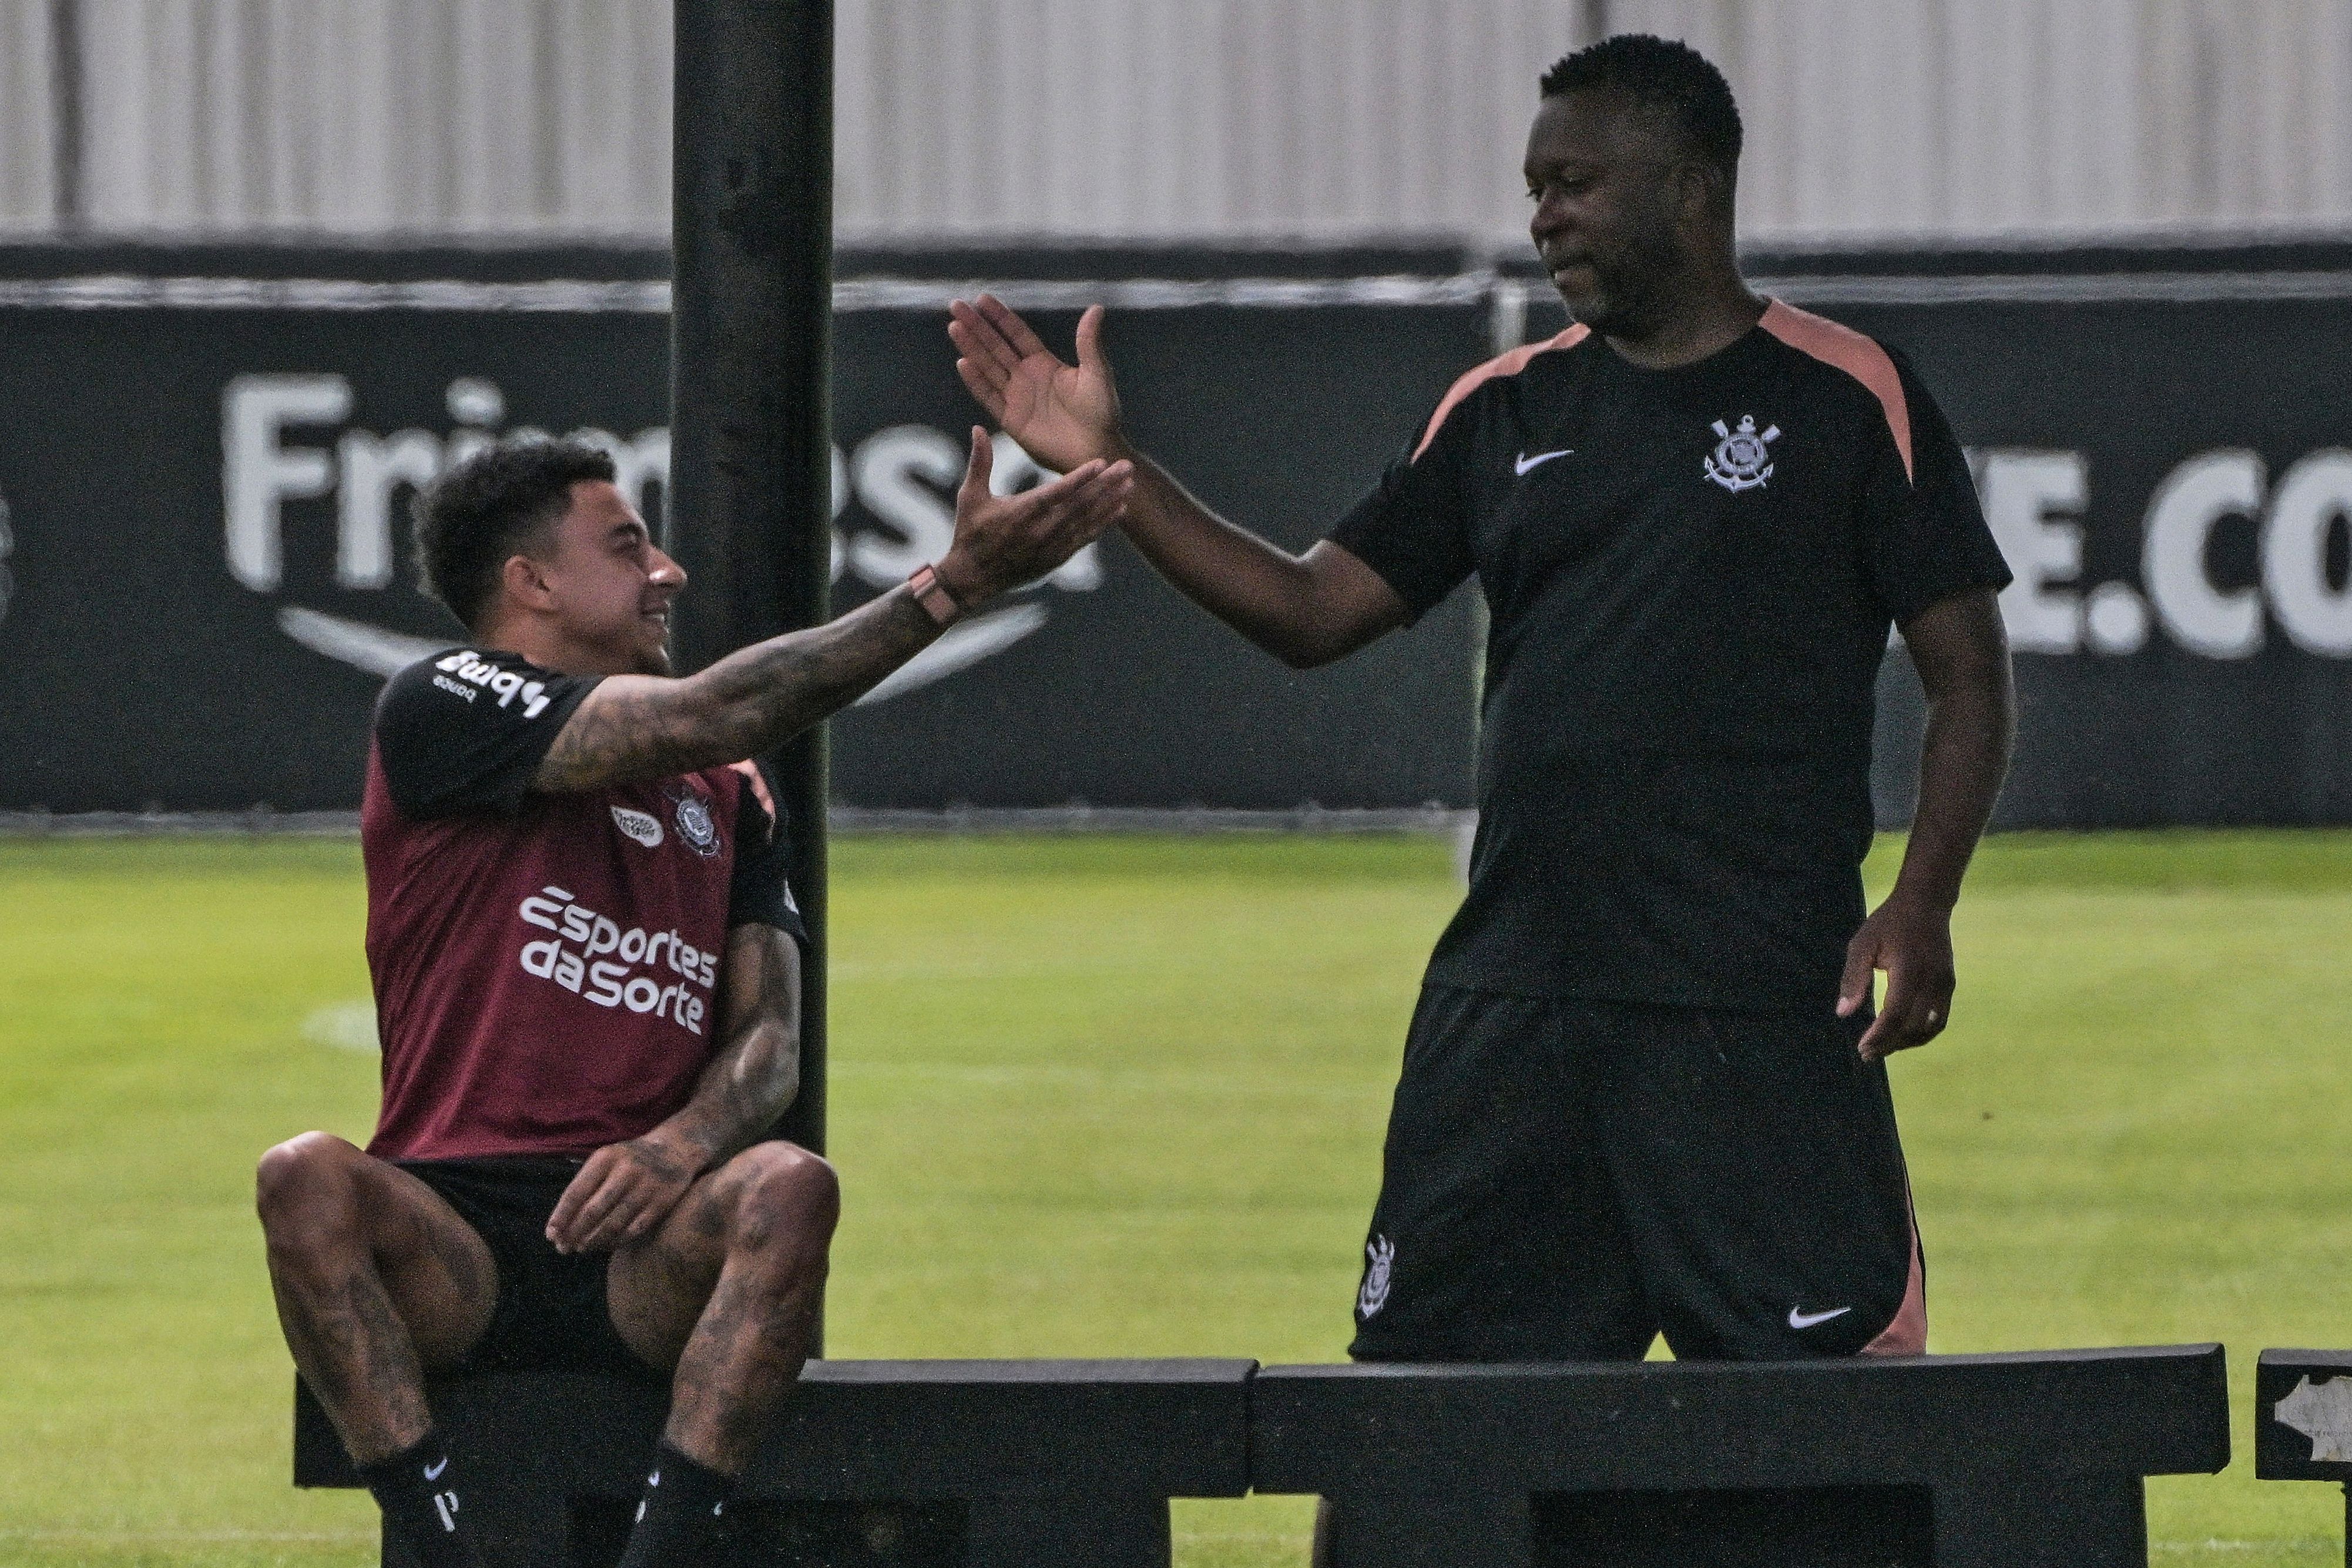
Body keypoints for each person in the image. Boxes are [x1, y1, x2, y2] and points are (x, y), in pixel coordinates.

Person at [951, 35, 2014, 1381]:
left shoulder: (1848, 395)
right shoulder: (1505, 406)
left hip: (1754, 1002)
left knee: (1831, 1428)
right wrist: (1115, 472)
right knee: (1421, 1427)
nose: (1543, 217)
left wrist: (1921, 902)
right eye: (1533, 188)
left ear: (1690, 190)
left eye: (1575, 183)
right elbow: (1309, 610)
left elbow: (1968, 674)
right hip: (1513, 1003)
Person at [256, 432, 1131, 1568]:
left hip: (643, 1244)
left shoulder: (727, 792)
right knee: (302, 1176)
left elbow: (770, 1039)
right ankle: (437, 1550)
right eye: (627, 546)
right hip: (452, 1235)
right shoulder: (444, 700)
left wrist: (681, 1144)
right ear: (532, 583)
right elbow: (712, 711)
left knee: (791, 1185)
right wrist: (950, 584)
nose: (666, 570)